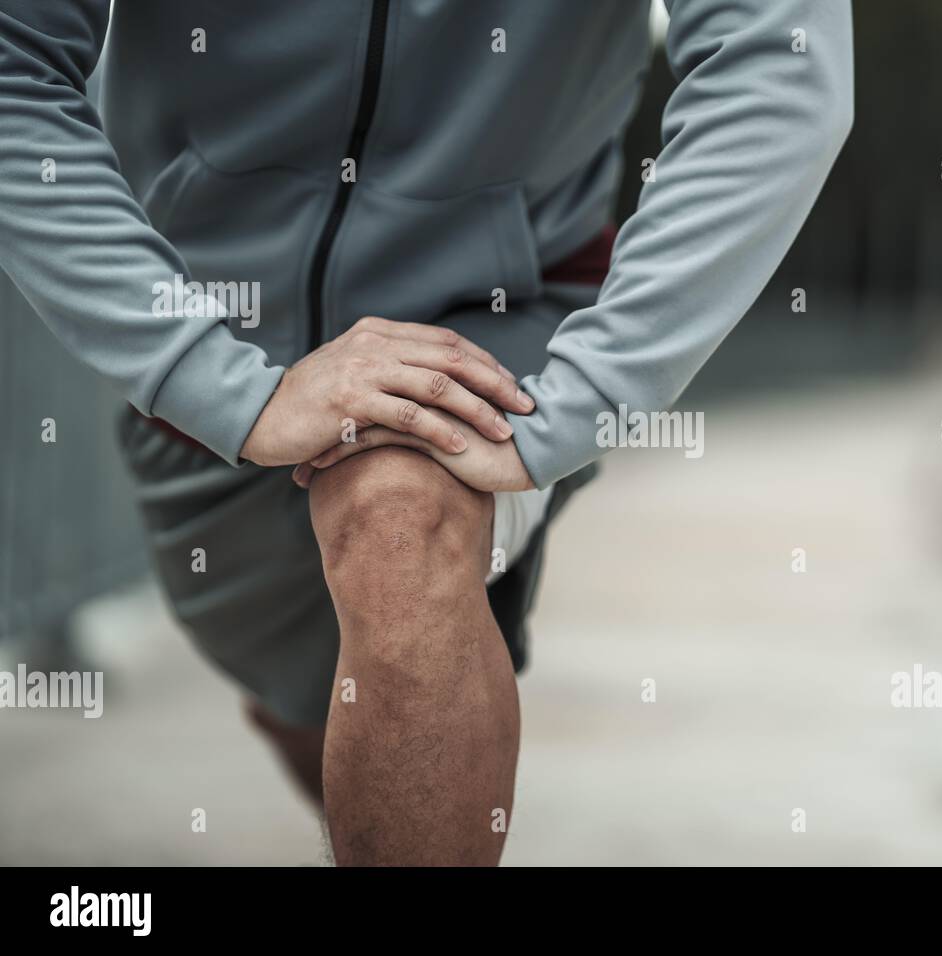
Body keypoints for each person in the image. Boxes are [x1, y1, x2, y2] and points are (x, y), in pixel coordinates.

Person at [0, 0, 853, 865]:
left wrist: (585, 397)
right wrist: (208, 377)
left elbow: (774, 59)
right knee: (308, 708)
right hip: (213, 327)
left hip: (504, 320)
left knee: (400, 529)